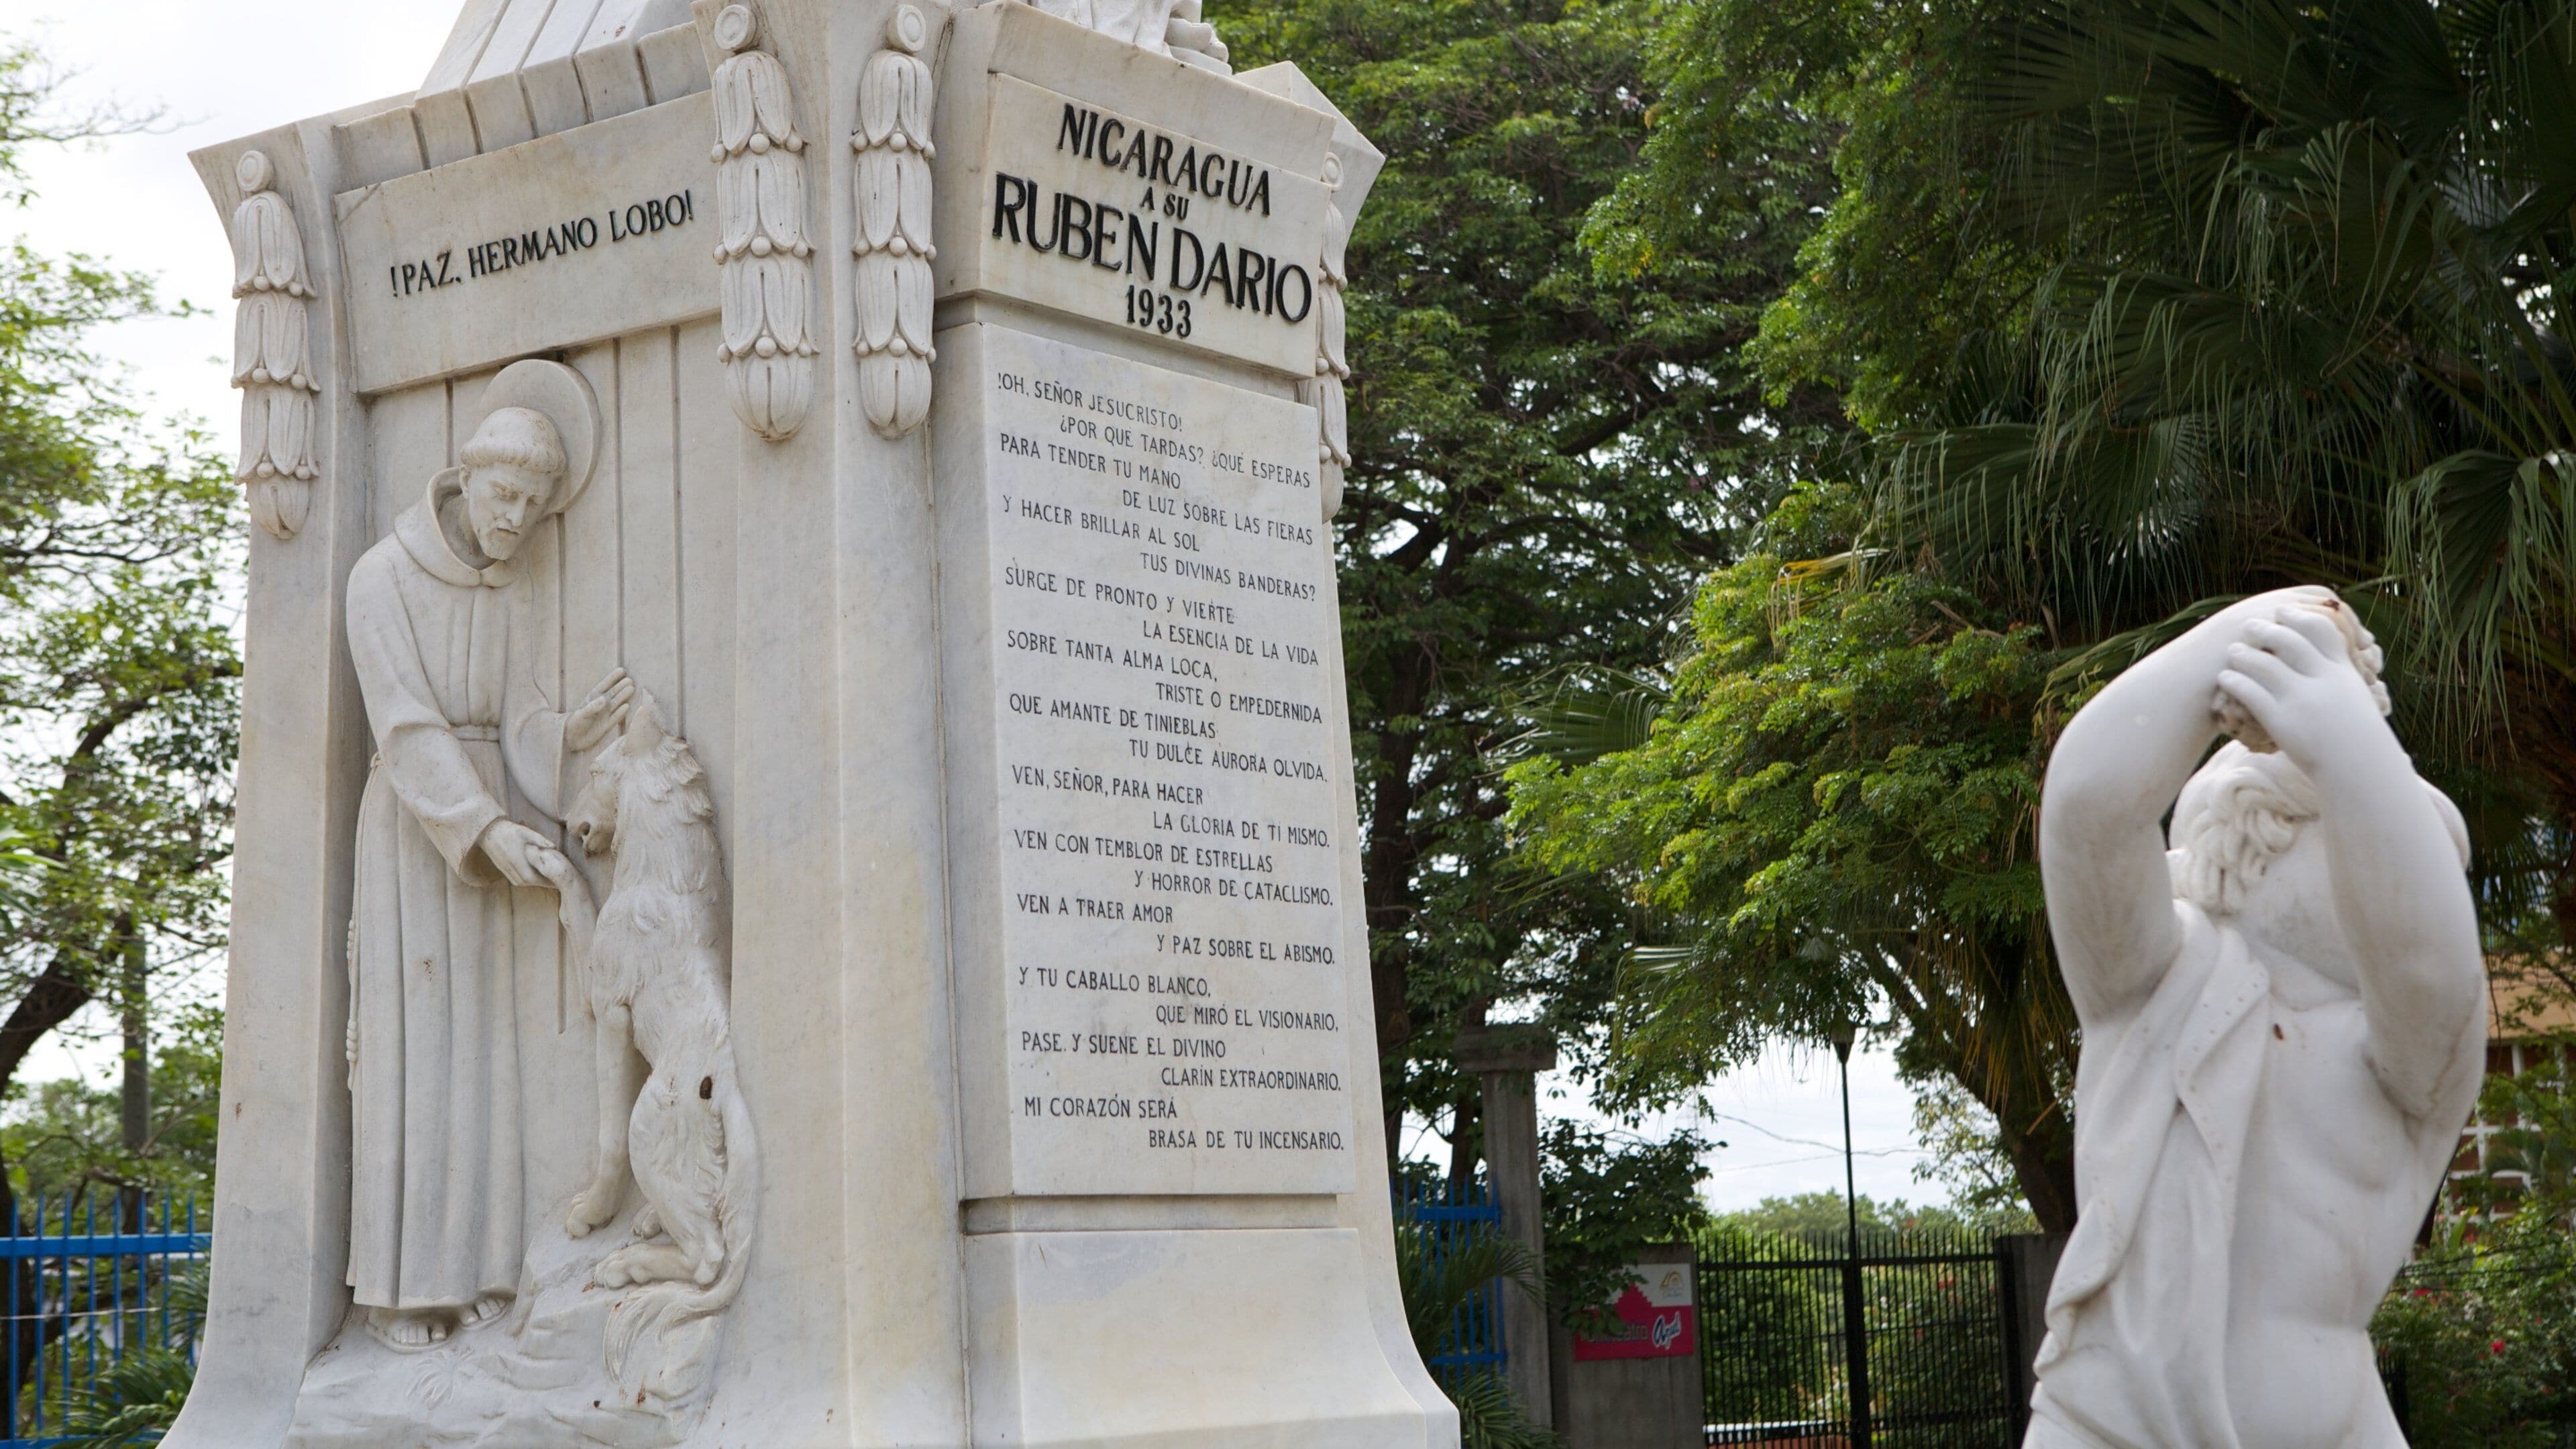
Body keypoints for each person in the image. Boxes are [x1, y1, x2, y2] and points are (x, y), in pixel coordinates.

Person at [2030, 586, 2485, 1449]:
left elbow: (2426, 959)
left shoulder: (2402, 1059)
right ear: (2248, 848)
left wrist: (2348, 732)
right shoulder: (2158, 988)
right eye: (2347, 827)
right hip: (2113, 1427)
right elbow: (2088, 806)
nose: (2390, 866)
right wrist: (2252, 635)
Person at [343, 405, 631, 1349]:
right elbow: (407, 725)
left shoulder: (508, 590)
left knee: (478, 1064)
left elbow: (515, 718)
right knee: (416, 1055)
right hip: (418, 831)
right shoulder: (380, 578)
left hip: (490, 815)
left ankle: (472, 1276)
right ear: (466, 479)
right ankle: (399, 1290)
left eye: (536, 506)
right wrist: (483, 828)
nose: (516, 519)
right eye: (506, 496)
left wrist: (569, 737)